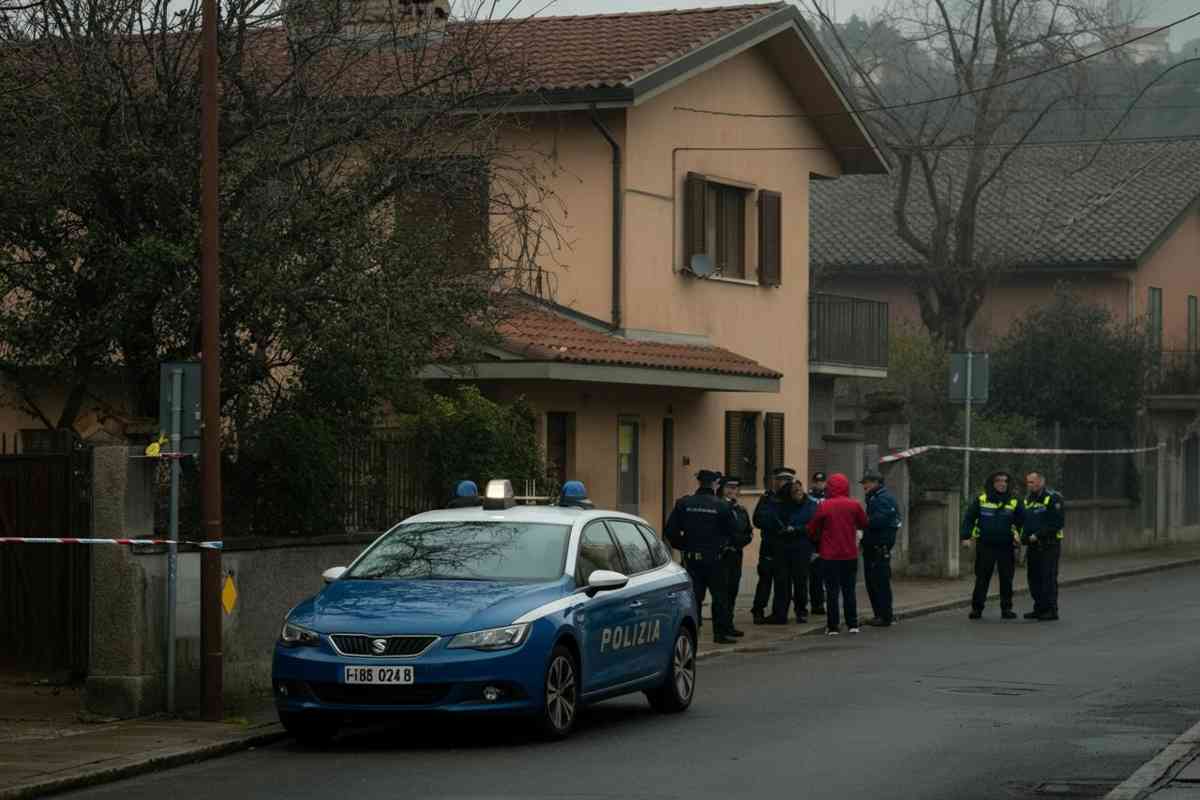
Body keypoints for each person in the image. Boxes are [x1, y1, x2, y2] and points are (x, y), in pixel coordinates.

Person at [665, 469, 739, 645]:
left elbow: (670, 531)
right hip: (716, 559)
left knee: (694, 597)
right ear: (714, 484)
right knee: (720, 597)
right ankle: (720, 634)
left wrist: (683, 545)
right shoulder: (722, 506)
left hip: (692, 558)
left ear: (699, 483)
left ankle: (693, 632)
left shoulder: (684, 503)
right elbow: (734, 532)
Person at [806, 473, 868, 636]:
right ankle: (852, 623)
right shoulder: (853, 505)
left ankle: (833, 626)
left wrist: (818, 538)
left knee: (832, 592)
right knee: (849, 591)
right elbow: (864, 523)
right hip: (849, 554)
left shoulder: (825, 505)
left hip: (829, 555)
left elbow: (812, 528)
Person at [960, 471, 1025, 620]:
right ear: (992, 483)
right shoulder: (982, 499)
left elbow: (1023, 521)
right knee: (982, 577)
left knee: (1006, 578)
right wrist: (966, 537)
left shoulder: (1014, 501)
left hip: (1006, 546)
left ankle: (1006, 609)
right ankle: (977, 609)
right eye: (998, 481)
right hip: (986, 545)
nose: (1002, 484)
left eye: (1005, 481)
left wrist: (1020, 537)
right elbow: (969, 518)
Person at [751, 467, 796, 624]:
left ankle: (780, 614)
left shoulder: (796, 498)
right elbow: (757, 519)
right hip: (770, 544)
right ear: (776, 481)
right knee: (765, 578)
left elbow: (805, 518)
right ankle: (758, 610)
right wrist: (774, 525)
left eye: (789, 481)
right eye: (782, 480)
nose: (785, 484)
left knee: (784, 581)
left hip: (787, 545)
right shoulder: (768, 498)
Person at [771, 479, 819, 624]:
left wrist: (797, 529)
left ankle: (801, 612)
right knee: (782, 583)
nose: (797, 493)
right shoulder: (782, 504)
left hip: (802, 547)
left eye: (798, 490)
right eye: (793, 491)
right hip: (784, 547)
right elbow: (774, 519)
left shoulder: (811, 505)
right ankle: (781, 614)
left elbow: (814, 525)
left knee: (800, 582)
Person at [1021, 471, 1065, 621]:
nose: (1029, 485)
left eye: (1032, 482)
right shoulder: (1028, 499)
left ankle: (1051, 610)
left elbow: (1057, 523)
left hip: (1049, 545)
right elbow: (1026, 522)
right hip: (1033, 545)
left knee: (1048, 578)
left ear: (1041, 482)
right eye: (1028, 482)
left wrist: (1038, 535)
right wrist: (1022, 538)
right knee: (1034, 578)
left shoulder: (1053, 497)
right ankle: (1039, 608)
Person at [860, 470, 901, 627]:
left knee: (878, 583)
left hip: (878, 547)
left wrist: (864, 522)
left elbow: (881, 521)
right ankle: (881, 615)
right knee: (875, 583)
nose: (864, 485)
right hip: (876, 546)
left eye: (866, 482)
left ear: (875, 482)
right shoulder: (876, 497)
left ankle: (884, 616)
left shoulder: (882, 498)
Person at [719, 475, 754, 637]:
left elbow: (748, 532)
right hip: (722, 555)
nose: (732, 491)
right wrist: (727, 543)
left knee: (732, 590)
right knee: (723, 591)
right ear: (722, 489)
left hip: (736, 554)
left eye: (735, 488)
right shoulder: (718, 506)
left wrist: (739, 543)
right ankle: (721, 626)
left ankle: (729, 624)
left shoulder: (740, 510)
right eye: (729, 488)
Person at [807, 472, 828, 616]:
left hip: (827, 539)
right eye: (817, 482)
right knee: (814, 574)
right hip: (813, 539)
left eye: (822, 482)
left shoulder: (830, 497)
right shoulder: (808, 498)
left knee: (824, 574)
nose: (819, 484)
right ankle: (816, 603)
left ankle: (822, 602)